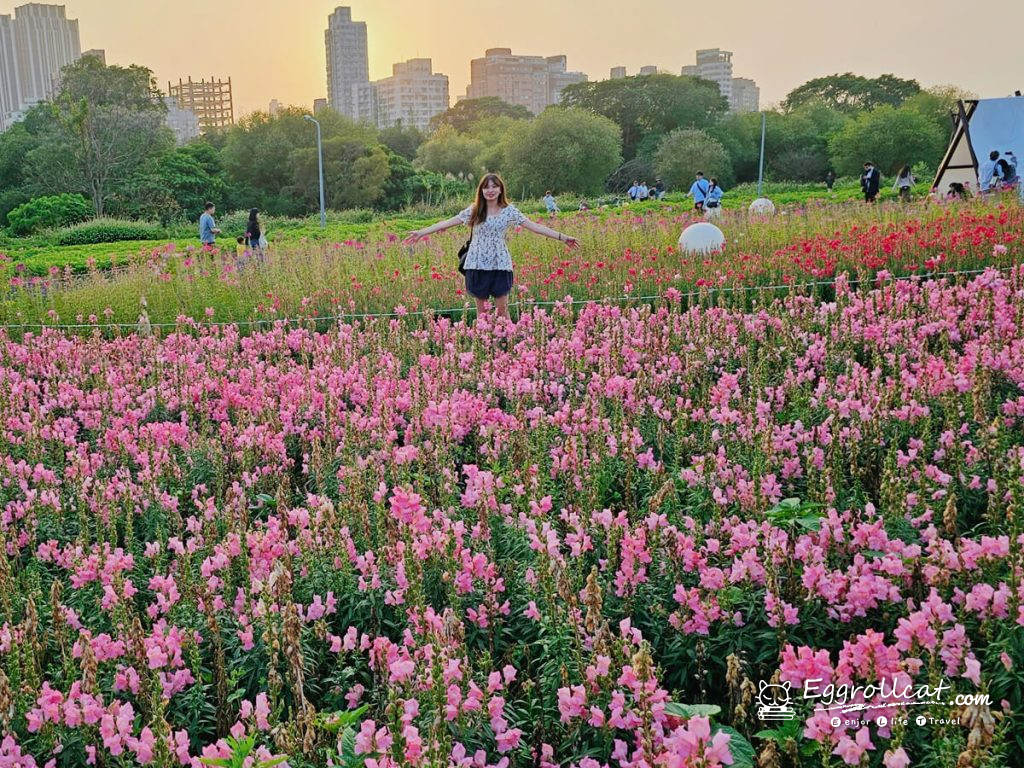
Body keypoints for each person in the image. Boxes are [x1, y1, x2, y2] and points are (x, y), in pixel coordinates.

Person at [404, 173, 579, 321]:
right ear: (481, 190)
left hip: (500, 263)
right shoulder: (475, 209)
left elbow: (535, 227)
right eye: (486, 187)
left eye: (494, 186)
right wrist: (422, 232)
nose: (490, 190)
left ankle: (506, 348)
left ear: (500, 189)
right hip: (477, 264)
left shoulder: (509, 211)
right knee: (483, 315)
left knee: (502, 313)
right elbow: (448, 223)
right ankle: (487, 350)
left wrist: (563, 237)